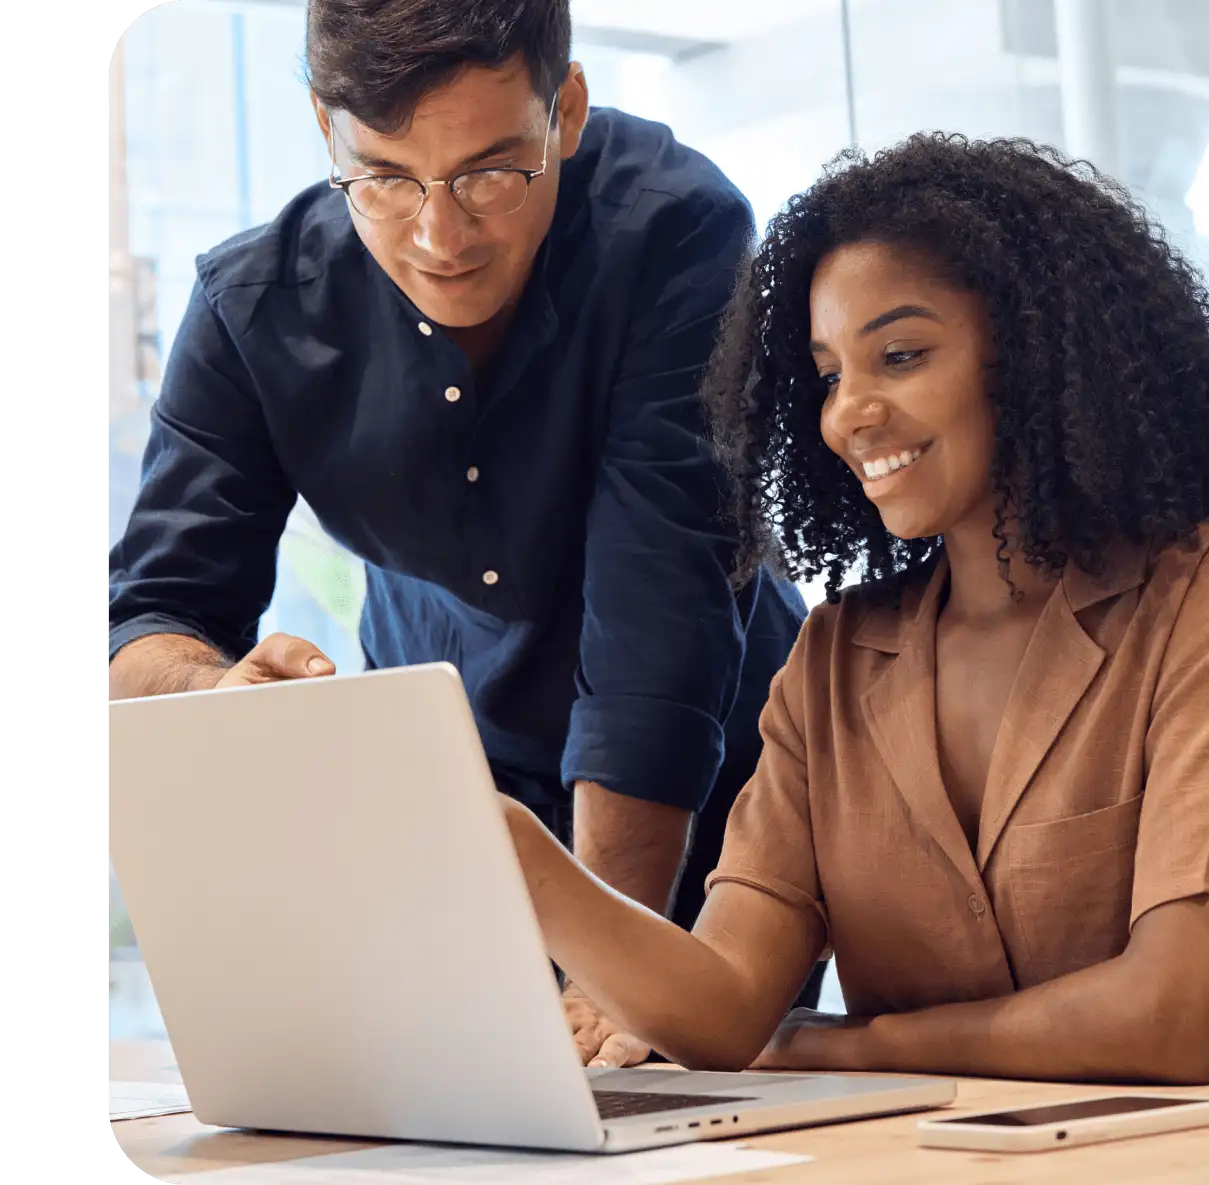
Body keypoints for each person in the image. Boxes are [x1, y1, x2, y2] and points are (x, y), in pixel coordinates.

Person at [104, 0, 823, 1059]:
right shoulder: (253, 310)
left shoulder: (672, 231)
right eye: (386, 178)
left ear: (563, 111)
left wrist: (600, 970)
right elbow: (145, 619)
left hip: (714, 818)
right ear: (323, 127)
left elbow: (654, 622)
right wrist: (216, 694)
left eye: (491, 172)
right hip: (456, 824)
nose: (440, 235)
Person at [497, 132, 1209, 1084]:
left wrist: (851, 1044)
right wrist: (518, 854)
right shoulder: (833, 659)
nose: (848, 412)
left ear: (1035, 354)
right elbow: (723, 1006)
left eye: (902, 355)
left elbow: (1171, 1018)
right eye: (830, 375)